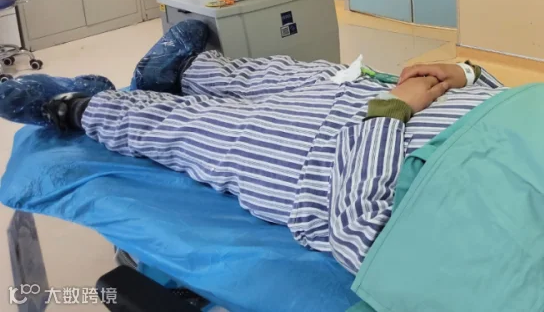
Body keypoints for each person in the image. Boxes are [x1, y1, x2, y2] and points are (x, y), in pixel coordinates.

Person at [0, 20, 503, 274]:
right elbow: (526, 103)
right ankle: (189, 72)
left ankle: (80, 108)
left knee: (207, 128)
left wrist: (390, 115)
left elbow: (363, 241)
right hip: (420, 105)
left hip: (334, 164)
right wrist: (467, 75)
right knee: (319, 77)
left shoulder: (510, 279)